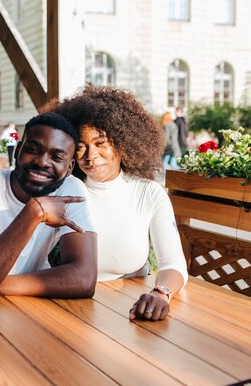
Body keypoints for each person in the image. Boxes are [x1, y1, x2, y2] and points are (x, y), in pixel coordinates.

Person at [57, 85, 188, 321]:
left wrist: (161, 293)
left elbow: (173, 263)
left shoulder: (149, 193)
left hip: (131, 312)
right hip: (70, 310)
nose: (90, 155)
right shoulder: (63, 192)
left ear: (123, 142)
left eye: (100, 143)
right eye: (80, 146)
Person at [0, 112, 97, 307]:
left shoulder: (70, 189)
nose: (42, 162)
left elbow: (84, 279)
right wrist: (34, 212)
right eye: (33, 149)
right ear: (17, 151)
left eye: (56, 157)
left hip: (28, 307)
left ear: (69, 168)